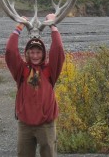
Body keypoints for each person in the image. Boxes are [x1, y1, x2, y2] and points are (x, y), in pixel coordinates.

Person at [5, 13, 65, 157]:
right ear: (27, 53)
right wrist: (19, 26)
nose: (35, 56)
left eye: (38, 52)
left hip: (46, 125)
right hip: (25, 125)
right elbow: (10, 52)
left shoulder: (50, 71)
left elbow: (58, 51)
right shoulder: (22, 70)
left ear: (44, 54)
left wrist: (53, 25)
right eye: (32, 52)